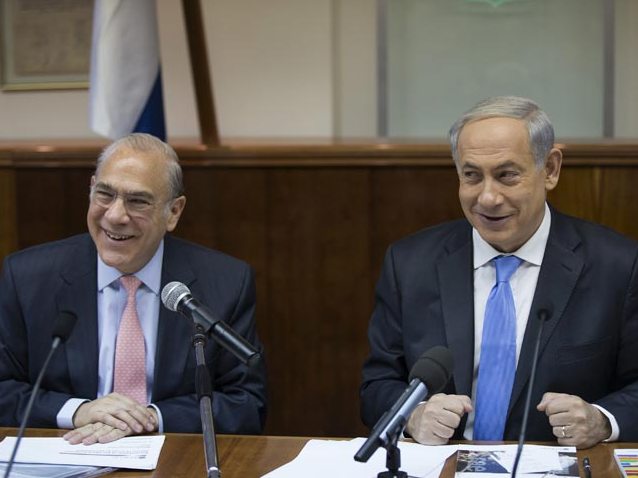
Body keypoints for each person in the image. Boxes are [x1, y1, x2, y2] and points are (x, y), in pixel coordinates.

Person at [360, 96, 638, 449]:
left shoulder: (618, 265)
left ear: (550, 169)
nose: (488, 198)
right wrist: (413, 416)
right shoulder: (411, 263)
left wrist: (602, 420)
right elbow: (377, 385)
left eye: (507, 175)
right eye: (472, 176)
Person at [0, 133, 267, 444]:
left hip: (173, 461)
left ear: (174, 212)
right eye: (104, 194)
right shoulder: (28, 277)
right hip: (67, 458)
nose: (115, 215)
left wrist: (149, 418)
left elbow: (246, 403)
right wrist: (78, 411)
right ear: (90, 190)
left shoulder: (224, 282)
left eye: (137, 201)